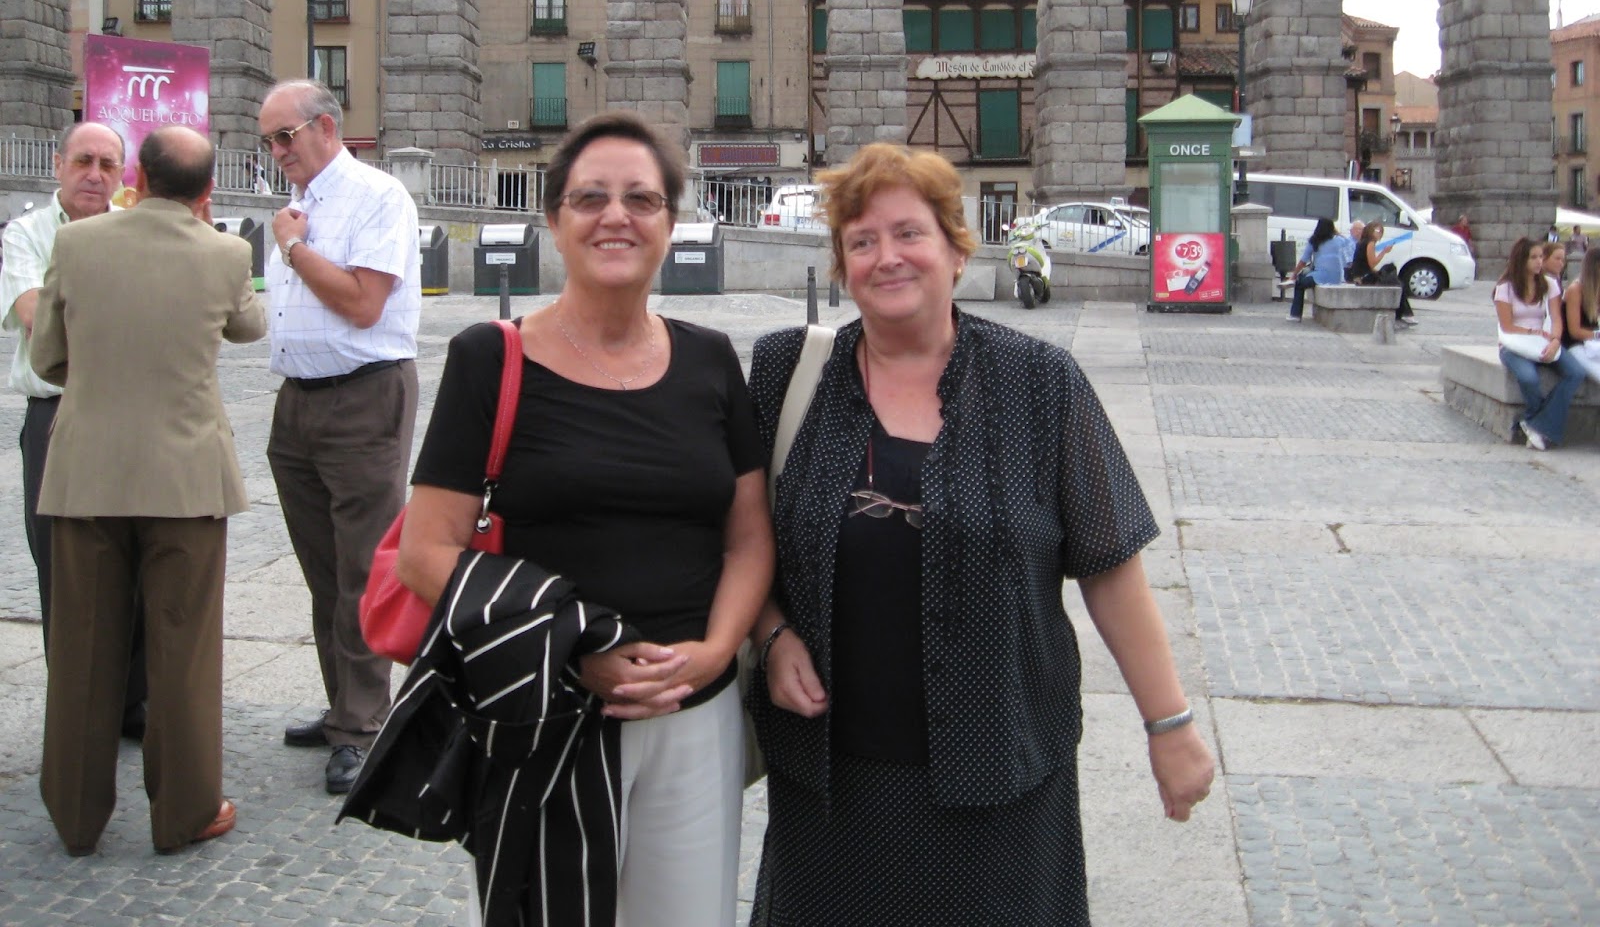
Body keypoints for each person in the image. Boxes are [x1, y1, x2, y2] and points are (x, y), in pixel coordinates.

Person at [744, 144, 1213, 926]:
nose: (887, 257)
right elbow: (743, 539)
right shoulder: (786, 372)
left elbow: (1109, 565)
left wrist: (1169, 725)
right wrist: (772, 631)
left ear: (957, 251)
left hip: (1001, 780)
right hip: (828, 784)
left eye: (909, 233)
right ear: (842, 267)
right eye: (862, 241)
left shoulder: (1041, 383)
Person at [392, 112, 773, 924]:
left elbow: (748, 538)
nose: (616, 217)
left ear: (670, 222)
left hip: (694, 715)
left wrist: (714, 653)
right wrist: (574, 648)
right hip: (547, 710)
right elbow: (424, 553)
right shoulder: (489, 358)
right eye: (591, 198)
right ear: (555, 221)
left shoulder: (711, 359)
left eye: (642, 199)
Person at [31, 126, 265, 855]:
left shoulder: (77, 242)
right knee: (183, 650)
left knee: (83, 647)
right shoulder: (226, 252)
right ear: (206, 191)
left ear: (136, 175)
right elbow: (250, 327)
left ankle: (75, 814)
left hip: (88, 471)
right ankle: (186, 811)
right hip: (186, 477)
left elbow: (47, 356)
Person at [260, 79, 421, 795]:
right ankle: (341, 709)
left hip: (362, 396)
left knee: (362, 567)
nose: (276, 151)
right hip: (298, 400)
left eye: (285, 136)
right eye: (268, 140)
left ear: (326, 126)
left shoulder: (376, 196)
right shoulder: (299, 206)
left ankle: (362, 725)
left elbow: (362, 303)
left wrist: (294, 248)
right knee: (322, 568)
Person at [0, 122, 148, 739]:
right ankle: (78, 707)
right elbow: (34, 315)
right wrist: (116, 325)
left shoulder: (139, 232)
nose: (94, 174)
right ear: (58, 164)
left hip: (128, 414)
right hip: (55, 415)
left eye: (108, 165)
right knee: (60, 562)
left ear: (122, 175)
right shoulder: (28, 233)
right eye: (83, 160)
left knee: (135, 553)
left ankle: (133, 702)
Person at [1494, 237, 1586, 451]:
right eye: (1533, 257)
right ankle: (1538, 423)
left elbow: (1556, 318)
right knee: (1529, 377)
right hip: (1514, 345)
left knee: (1575, 372)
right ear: (1521, 260)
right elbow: (1507, 326)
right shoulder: (1505, 288)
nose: (1539, 261)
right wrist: (1532, 331)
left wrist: (1555, 341)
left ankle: (1534, 424)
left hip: (1543, 341)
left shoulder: (1549, 284)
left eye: (1540, 257)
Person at [1349, 220, 1418, 327]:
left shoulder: (1362, 242)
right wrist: (1384, 252)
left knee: (1392, 272)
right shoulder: (1370, 243)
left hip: (1362, 275)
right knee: (1397, 284)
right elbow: (1372, 263)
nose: (1379, 234)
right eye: (1377, 231)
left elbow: (1365, 264)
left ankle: (1404, 314)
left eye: (1381, 231)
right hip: (1364, 278)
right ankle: (1405, 314)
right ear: (1370, 231)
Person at [1286, 217, 1346, 322]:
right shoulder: (1339, 240)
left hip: (1321, 276)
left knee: (1299, 283)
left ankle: (1295, 314)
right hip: (1336, 277)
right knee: (1306, 277)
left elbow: (1303, 260)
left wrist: (1294, 275)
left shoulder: (1314, 241)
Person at [1562, 246, 1600, 385]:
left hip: (1592, 343)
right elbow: (1574, 331)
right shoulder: (1576, 290)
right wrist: (1597, 335)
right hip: (1574, 345)